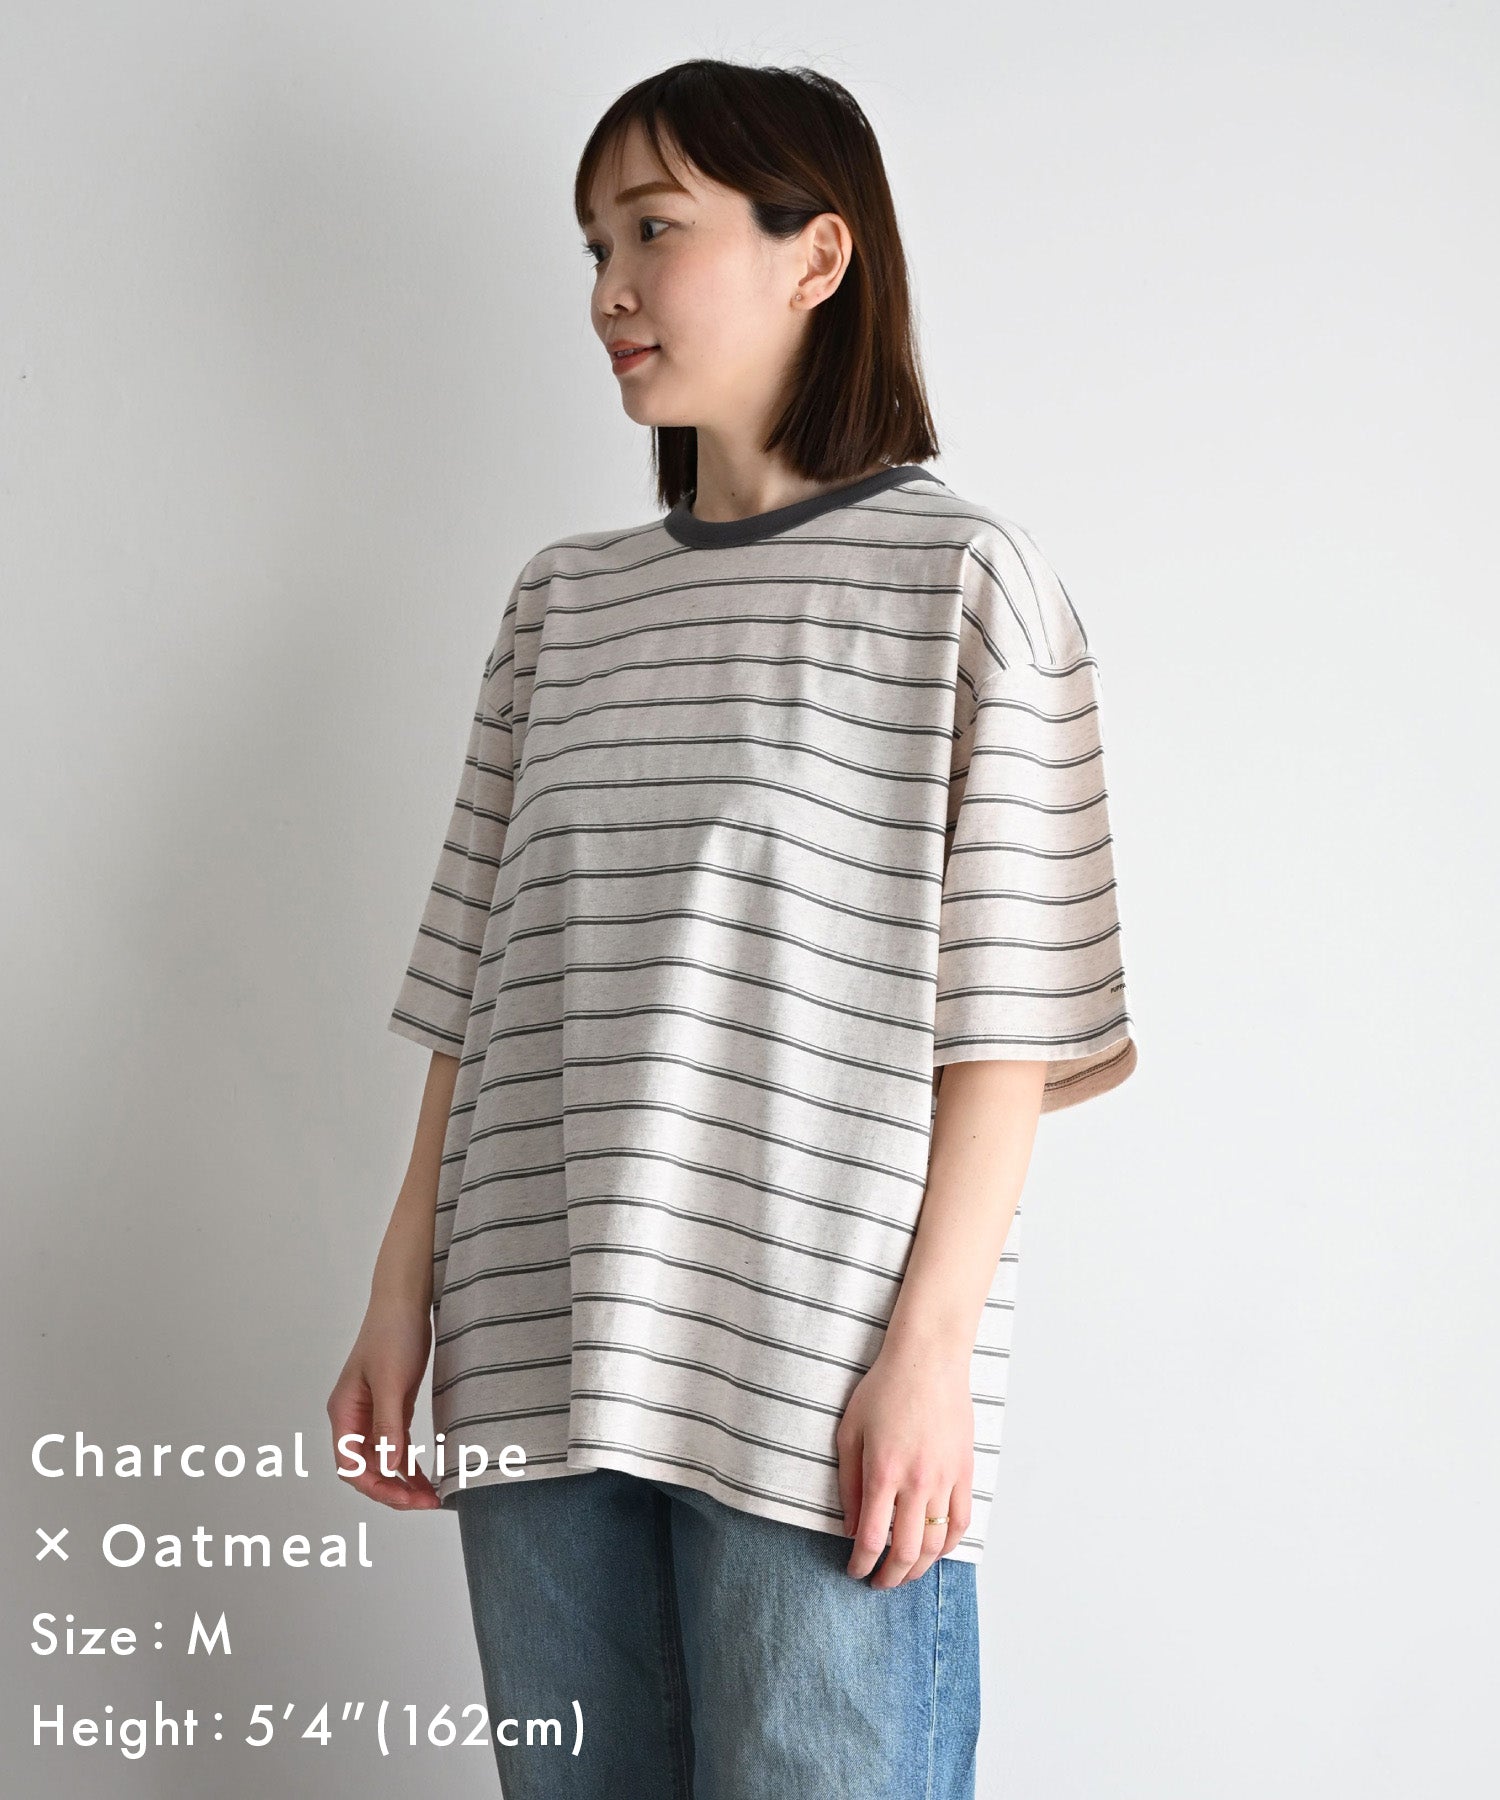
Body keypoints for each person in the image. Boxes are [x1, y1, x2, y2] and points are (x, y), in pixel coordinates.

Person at [327, 57, 1139, 1799]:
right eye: (593, 247)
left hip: (809, 1366)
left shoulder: (966, 587)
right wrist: (402, 1291)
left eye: (653, 232)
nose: (608, 291)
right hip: (536, 1341)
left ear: (815, 255)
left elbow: (1009, 1023)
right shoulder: (562, 604)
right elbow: (474, 976)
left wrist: (930, 1358)